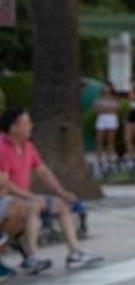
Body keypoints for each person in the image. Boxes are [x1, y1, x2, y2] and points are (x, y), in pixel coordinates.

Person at [0, 109, 101, 271]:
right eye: (26, 122)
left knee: (61, 205)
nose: (31, 126)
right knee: (34, 205)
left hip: (25, 198)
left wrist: (62, 193)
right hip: (9, 200)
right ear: (13, 128)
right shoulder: (2, 147)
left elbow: (43, 171)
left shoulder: (28, 146)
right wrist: (30, 196)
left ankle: (75, 253)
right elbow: (3, 183)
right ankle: (32, 258)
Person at [91, 84, 120, 167]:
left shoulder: (115, 98)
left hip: (111, 120)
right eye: (105, 87)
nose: (106, 89)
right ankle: (98, 160)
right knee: (99, 140)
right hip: (101, 120)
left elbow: (116, 109)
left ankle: (110, 160)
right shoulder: (99, 98)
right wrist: (106, 110)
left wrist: (104, 109)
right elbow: (95, 109)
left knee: (110, 141)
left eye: (108, 87)